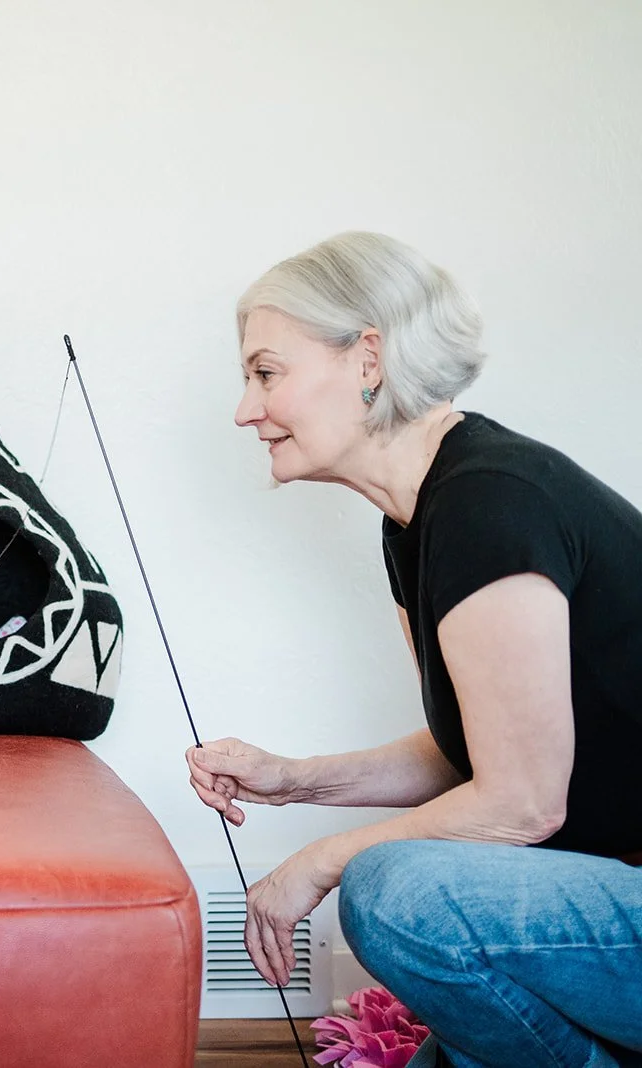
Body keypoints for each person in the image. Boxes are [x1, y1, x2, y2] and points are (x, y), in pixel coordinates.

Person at [187, 232, 642, 1068]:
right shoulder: (418, 520)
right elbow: (469, 750)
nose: (245, 410)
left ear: (367, 359)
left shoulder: (490, 501)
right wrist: (296, 780)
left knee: (396, 894)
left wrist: (316, 864)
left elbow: (521, 803)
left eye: (265, 372)